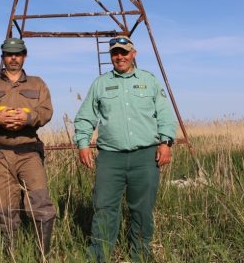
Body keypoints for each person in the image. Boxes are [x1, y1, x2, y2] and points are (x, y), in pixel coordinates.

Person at [73, 35, 176, 263]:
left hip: (145, 157)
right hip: (110, 158)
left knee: (142, 209)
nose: (119, 57)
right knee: (104, 208)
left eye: (124, 52)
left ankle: (140, 255)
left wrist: (166, 143)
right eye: (115, 53)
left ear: (133, 54)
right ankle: (99, 256)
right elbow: (85, 117)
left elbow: (165, 116)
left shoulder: (149, 81)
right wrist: (83, 144)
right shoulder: (100, 84)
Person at [0, 38, 56, 259]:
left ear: (24, 56)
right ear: (3, 58)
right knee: (3, 207)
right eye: (9, 54)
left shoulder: (37, 83)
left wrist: (29, 117)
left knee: (40, 202)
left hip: (29, 152)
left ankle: (42, 256)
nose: (13, 58)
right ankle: (10, 256)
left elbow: (46, 111)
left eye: (18, 54)